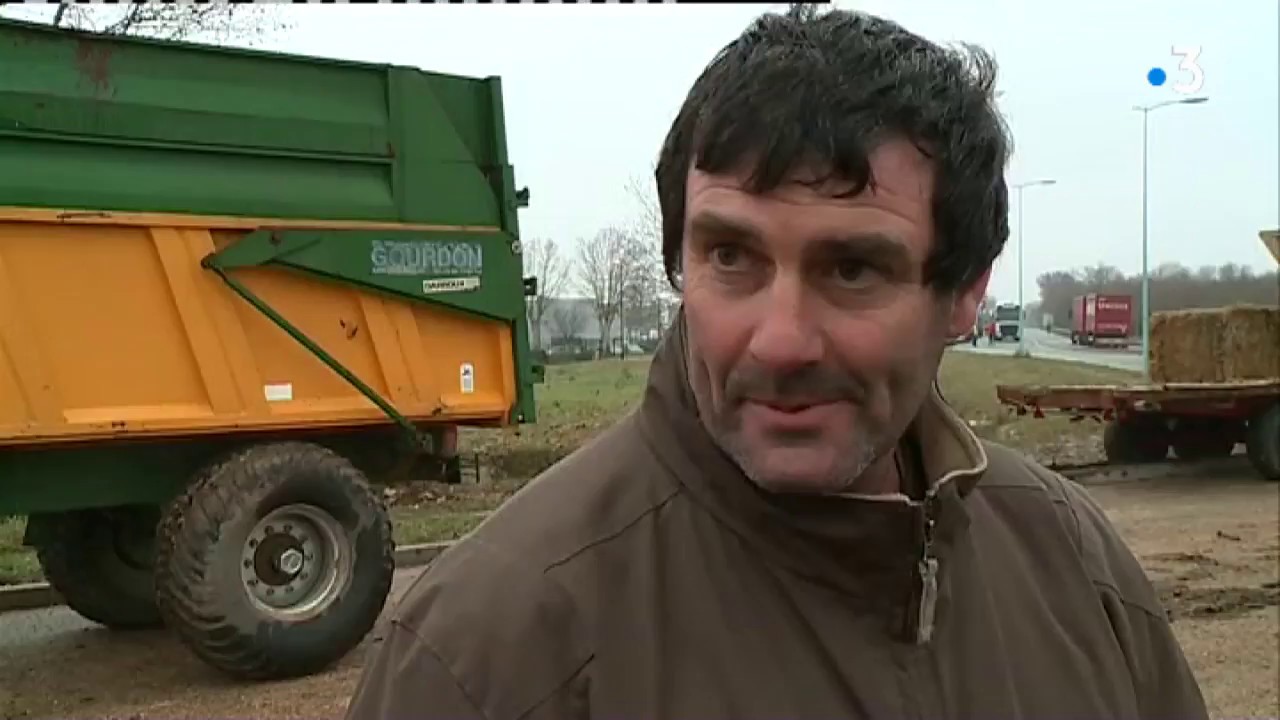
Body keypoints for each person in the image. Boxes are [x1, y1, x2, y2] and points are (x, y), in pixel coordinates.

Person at [345, 7, 1209, 720]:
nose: (780, 341)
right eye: (731, 258)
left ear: (964, 294)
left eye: (852, 269)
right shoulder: (484, 653)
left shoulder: (1070, 558)